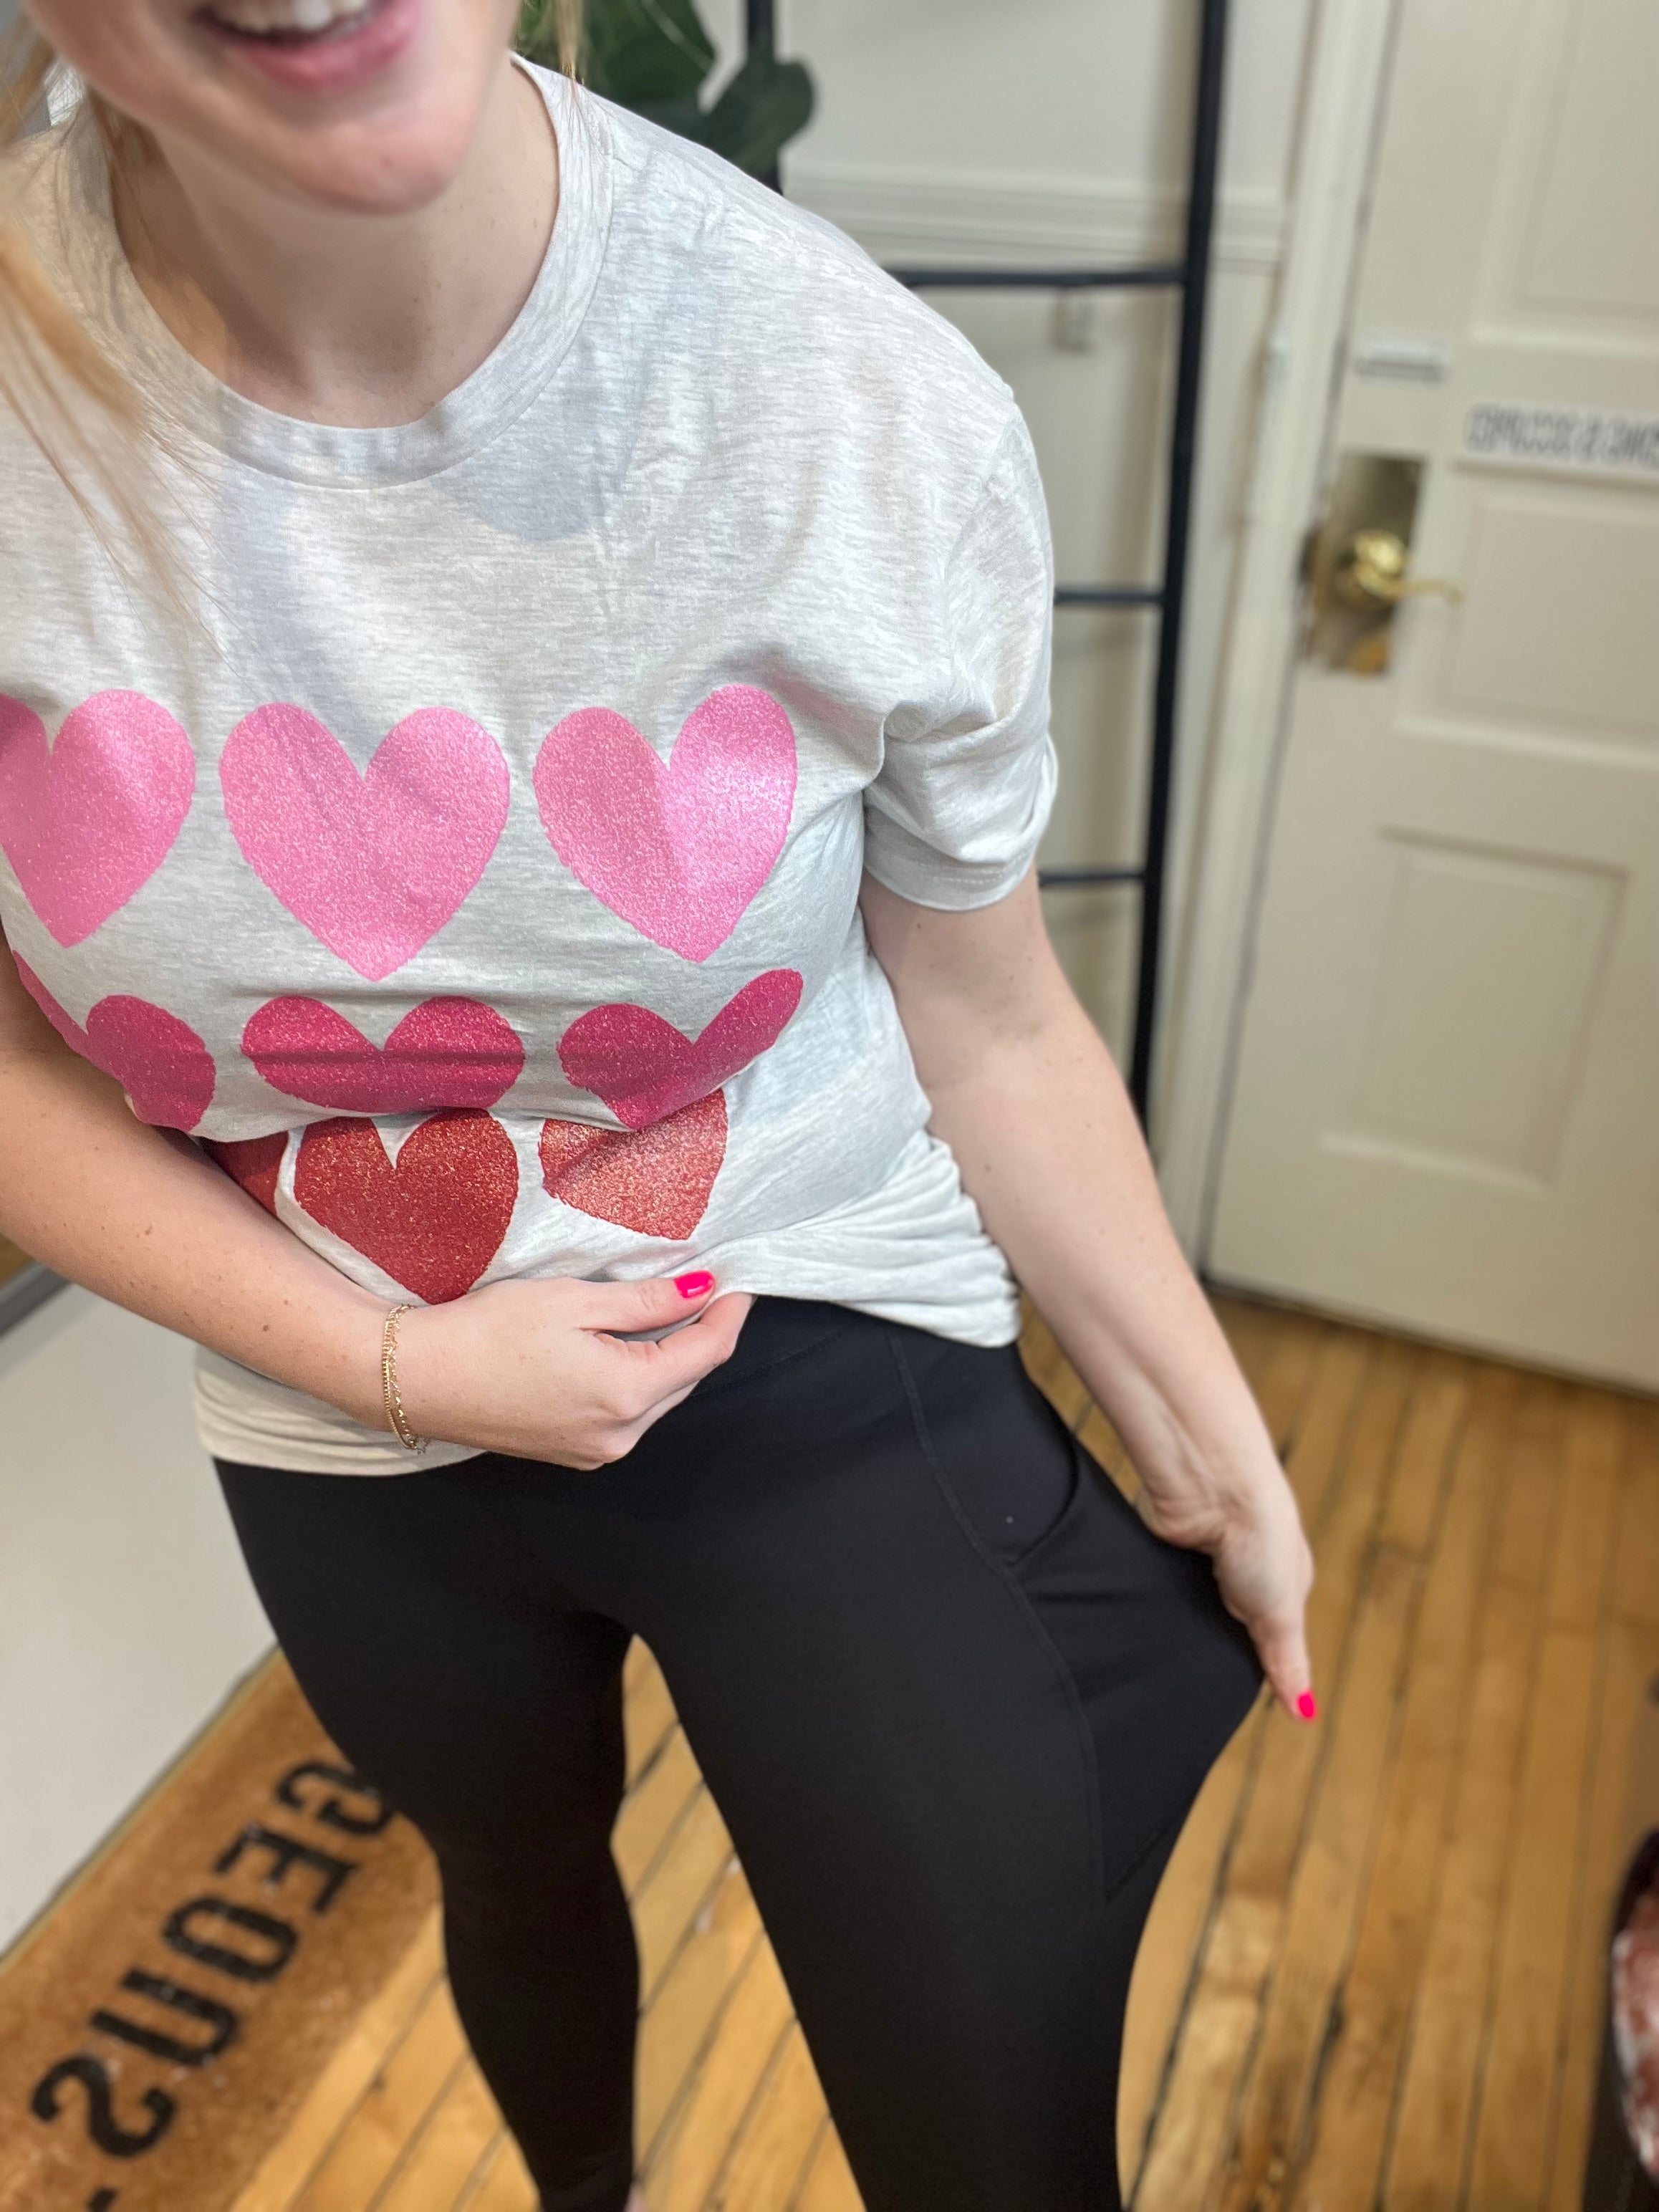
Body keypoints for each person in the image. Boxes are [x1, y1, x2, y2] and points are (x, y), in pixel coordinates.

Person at [0, 4, 1314, 2206]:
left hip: (802, 1323)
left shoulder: (855, 406)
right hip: (335, 1400)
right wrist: (397, 1366)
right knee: (511, 1877)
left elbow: (989, 1017)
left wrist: (1211, 1450)